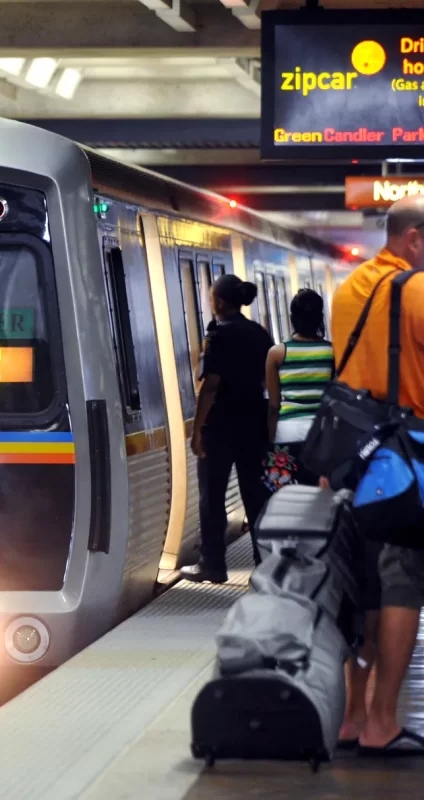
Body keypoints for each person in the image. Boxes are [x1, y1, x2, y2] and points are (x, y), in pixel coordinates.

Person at [330, 194, 424, 755]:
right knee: (403, 583)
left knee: (362, 585)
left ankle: (351, 714)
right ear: (414, 239)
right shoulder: (414, 290)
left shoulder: (350, 289)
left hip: (354, 458)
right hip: (406, 461)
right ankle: (382, 721)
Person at [180, 274, 273, 584]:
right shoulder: (260, 334)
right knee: (257, 498)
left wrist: (196, 430)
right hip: (254, 426)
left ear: (219, 302)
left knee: (212, 497)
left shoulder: (218, 336)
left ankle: (213, 565)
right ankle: (265, 566)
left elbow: (210, 386)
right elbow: (267, 382)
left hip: (219, 428)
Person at [263, 289, 334, 492]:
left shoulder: (277, 353)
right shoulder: (332, 352)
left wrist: (270, 438)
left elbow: (274, 404)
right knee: (320, 496)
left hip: (287, 432)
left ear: (292, 318)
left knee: (286, 495)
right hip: (322, 433)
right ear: (320, 318)